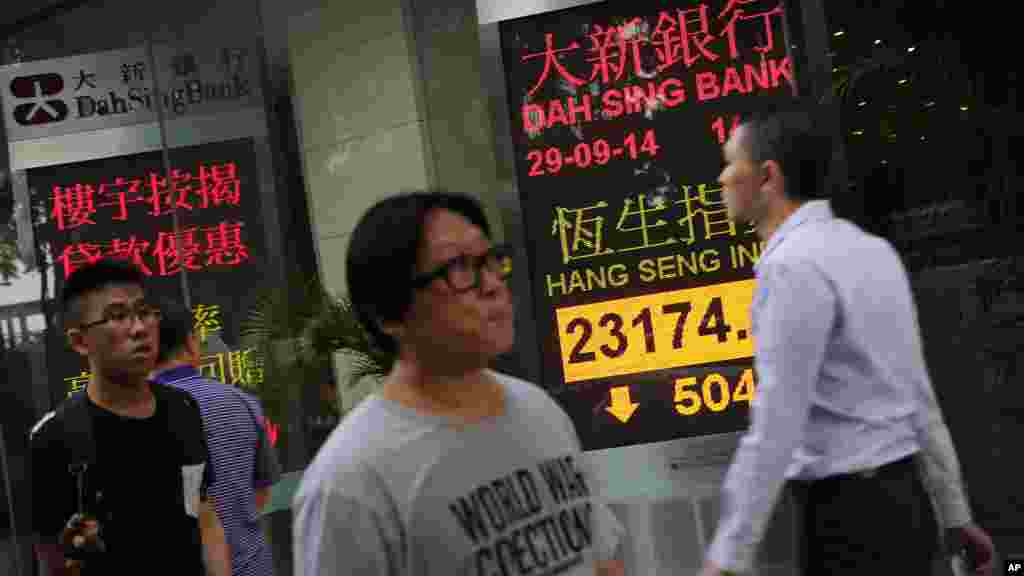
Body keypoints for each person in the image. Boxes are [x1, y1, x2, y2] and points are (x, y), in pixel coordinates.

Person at [699, 108, 997, 576]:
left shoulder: (791, 267)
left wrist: (728, 555)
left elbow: (778, 419)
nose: (721, 178)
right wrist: (955, 514)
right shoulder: (873, 252)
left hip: (846, 521)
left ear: (767, 177)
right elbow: (920, 399)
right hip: (905, 503)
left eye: (731, 163)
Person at [292, 191, 625, 576]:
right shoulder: (350, 483)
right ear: (389, 315)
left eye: (491, 261)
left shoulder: (539, 410)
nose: (493, 286)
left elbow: (601, 559)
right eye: (459, 268)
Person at [29, 260, 230, 576]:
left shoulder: (183, 408)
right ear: (80, 341)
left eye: (144, 312)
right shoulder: (55, 436)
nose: (139, 329)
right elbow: (52, 559)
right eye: (117, 316)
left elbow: (203, 512)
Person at [150, 298, 281, 576]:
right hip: (251, 566)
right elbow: (261, 492)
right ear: (191, 343)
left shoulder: (135, 418)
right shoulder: (243, 402)